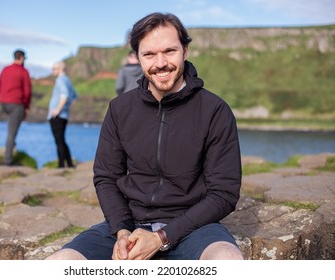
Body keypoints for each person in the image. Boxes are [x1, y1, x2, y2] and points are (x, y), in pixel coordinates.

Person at [46, 12, 243, 260]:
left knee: (228, 260)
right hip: (129, 225)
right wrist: (121, 231)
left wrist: (162, 237)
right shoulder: (119, 109)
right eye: (149, 54)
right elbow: (106, 178)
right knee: (59, 263)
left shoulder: (215, 110)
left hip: (194, 227)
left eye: (169, 51)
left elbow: (224, 193)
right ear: (137, 58)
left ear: (185, 51)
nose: (160, 63)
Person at [0, 49, 31, 166]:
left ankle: (11, 151)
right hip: (16, 105)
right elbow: (27, 92)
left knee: (12, 129)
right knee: (12, 132)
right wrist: (26, 107)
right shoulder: (23, 72)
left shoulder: (5, 69)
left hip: (4, 104)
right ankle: (8, 160)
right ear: (21, 58)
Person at [47, 61, 78, 168]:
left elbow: (64, 95)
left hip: (57, 115)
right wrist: (66, 108)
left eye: (54, 68)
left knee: (59, 141)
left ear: (60, 69)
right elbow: (74, 96)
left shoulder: (60, 80)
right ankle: (69, 163)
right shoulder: (67, 80)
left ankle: (61, 165)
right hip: (64, 115)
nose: (53, 71)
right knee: (62, 140)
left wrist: (58, 109)